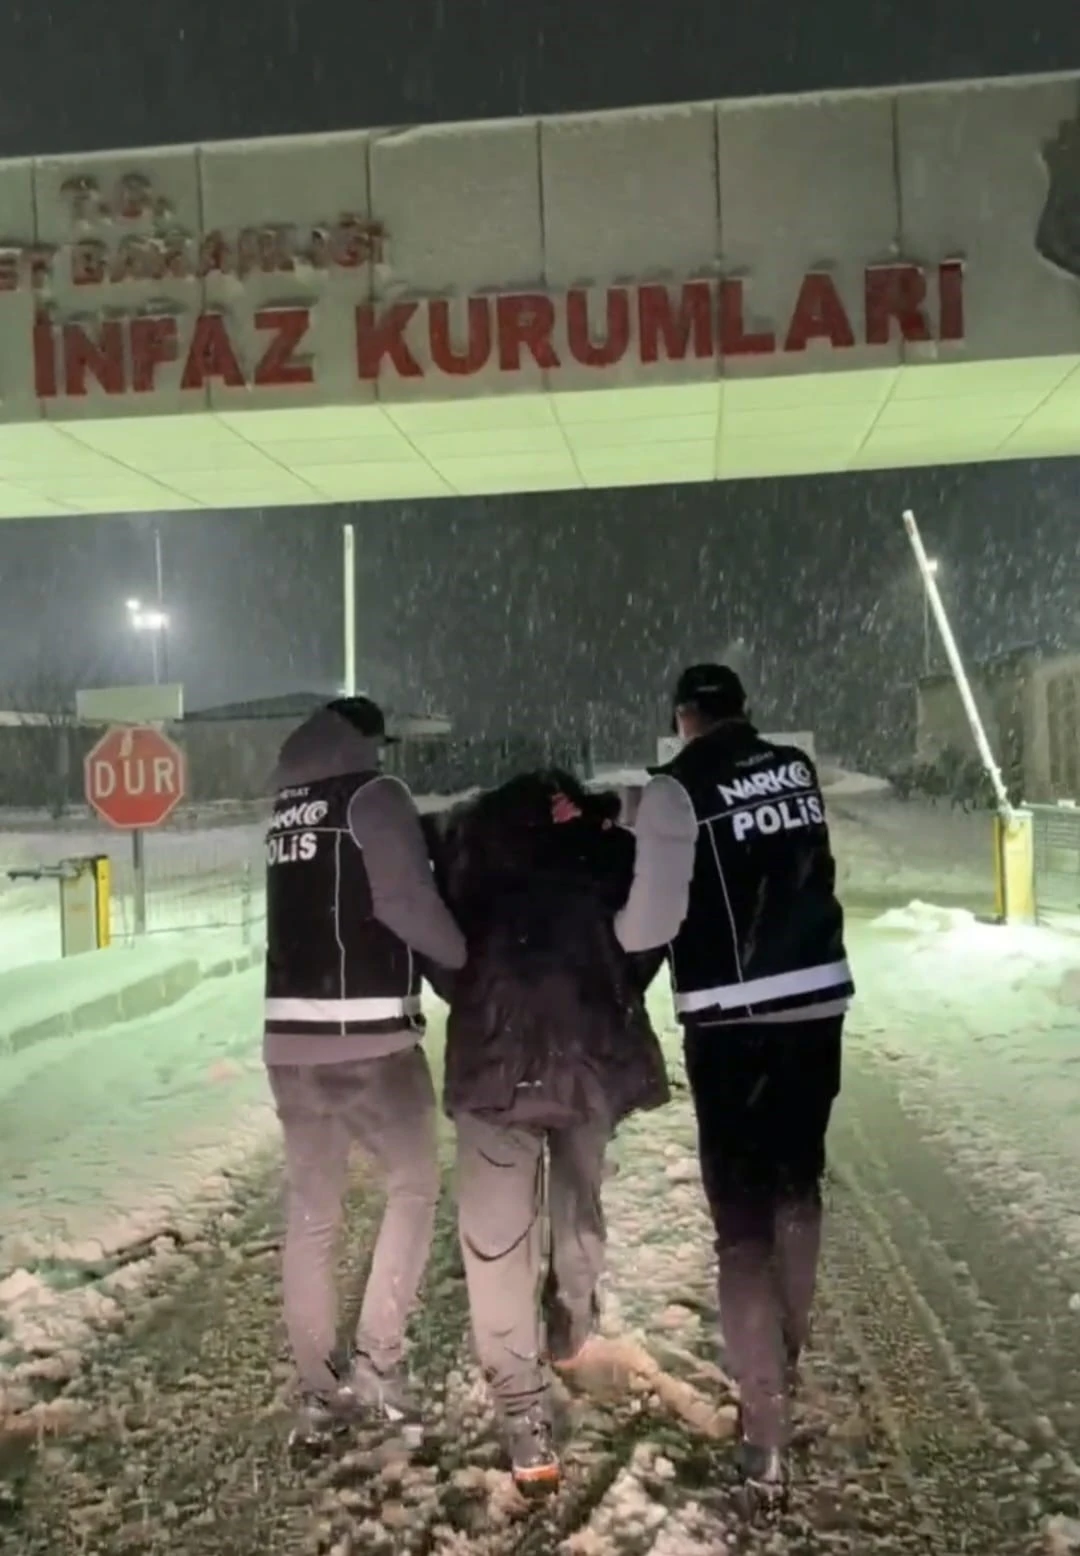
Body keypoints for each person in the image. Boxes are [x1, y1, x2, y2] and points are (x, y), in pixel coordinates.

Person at [625, 664, 854, 1505]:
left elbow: (650, 922)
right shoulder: (794, 768)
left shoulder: (676, 789)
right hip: (817, 1004)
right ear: (742, 712)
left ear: (682, 717)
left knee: (742, 1227)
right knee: (798, 1187)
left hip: (733, 1021)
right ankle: (780, 1359)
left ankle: (765, 1433)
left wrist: (613, 945)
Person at [429, 769, 672, 1496]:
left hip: (493, 1060)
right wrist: (610, 991)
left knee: (495, 1239)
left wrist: (480, 995)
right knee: (577, 1203)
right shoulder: (608, 850)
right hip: (589, 1053)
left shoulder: (468, 850)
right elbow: (647, 938)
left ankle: (524, 1418)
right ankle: (569, 1326)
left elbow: (439, 950)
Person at [263, 695, 467, 1442]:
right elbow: (408, 904)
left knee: (313, 1212)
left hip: (288, 1043)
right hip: (370, 1037)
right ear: (370, 742)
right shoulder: (375, 796)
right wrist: (467, 960)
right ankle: (380, 1365)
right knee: (413, 1185)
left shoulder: (287, 809)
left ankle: (319, 1390)